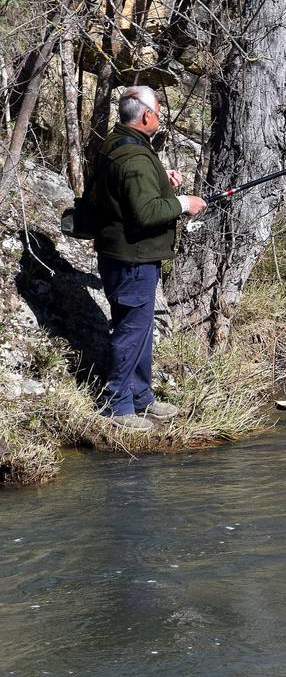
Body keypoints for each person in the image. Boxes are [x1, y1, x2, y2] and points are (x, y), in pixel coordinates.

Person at [93, 85, 206, 431]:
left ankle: (141, 397)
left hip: (122, 254)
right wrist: (185, 203)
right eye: (158, 112)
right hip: (132, 259)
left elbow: (130, 191)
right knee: (131, 330)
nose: (158, 117)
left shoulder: (118, 142)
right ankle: (117, 406)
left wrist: (161, 180)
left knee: (140, 330)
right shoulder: (136, 158)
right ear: (146, 116)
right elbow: (144, 212)